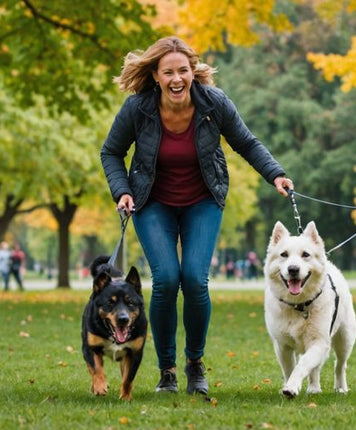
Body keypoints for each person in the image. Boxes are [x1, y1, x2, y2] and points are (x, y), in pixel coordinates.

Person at [100, 36, 294, 396]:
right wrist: (122, 190)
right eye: (168, 72)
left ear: (193, 72)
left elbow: (246, 143)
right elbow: (111, 152)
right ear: (156, 76)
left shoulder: (214, 103)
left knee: (193, 279)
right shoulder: (138, 108)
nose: (177, 79)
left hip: (203, 200)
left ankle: (194, 364)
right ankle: (167, 370)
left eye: (183, 71)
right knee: (166, 279)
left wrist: (275, 174)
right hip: (151, 202)